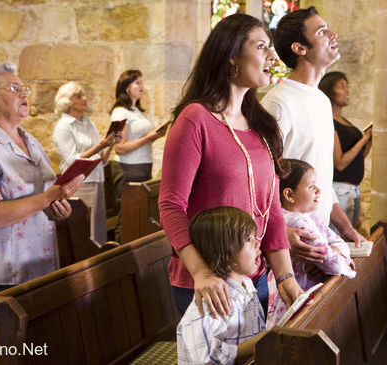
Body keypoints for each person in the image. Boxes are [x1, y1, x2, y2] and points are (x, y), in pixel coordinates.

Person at [159, 13, 303, 319]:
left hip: (255, 277)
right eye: (261, 46)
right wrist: (202, 273)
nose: (272, 55)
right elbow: (171, 205)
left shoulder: (261, 126)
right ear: (231, 57)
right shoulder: (195, 119)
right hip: (209, 282)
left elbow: (271, 209)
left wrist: (285, 275)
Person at [0, 61, 84, 294]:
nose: (24, 94)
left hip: (39, 261)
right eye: (14, 88)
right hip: (4, 272)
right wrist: (49, 197)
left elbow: (40, 198)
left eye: (23, 88)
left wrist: (57, 209)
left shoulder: (31, 142)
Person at [261, 6, 365, 267]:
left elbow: (323, 178)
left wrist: (345, 227)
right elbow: (263, 181)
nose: (333, 34)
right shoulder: (279, 102)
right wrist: (279, 236)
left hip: (318, 230)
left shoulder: (321, 101)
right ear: (299, 48)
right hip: (291, 241)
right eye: (321, 31)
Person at [266, 159, 356, 327]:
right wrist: (339, 254)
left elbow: (337, 241)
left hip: (308, 294)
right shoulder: (296, 222)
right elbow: (334, 264)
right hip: (295, 297)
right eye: (310, 187)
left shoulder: (309, 215)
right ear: (289, 195)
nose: (318, 190)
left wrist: (335, 249)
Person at [177, 207, 267, 364]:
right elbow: (205, 358)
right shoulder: (211, 301)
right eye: (248, 239)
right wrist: (257, 344)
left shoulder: (246, 284)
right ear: (223, 252)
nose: (257, 243)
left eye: (254, 236)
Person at [53, 82, 118, 245]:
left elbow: (101, 161)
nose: (84, 98)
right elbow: (72, 160)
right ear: (67, 102)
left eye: (83, 95)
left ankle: (100, 263)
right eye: (79, 96)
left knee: (98, 229)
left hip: (97, 179)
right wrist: (100, 145)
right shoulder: (63, 126)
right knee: (84, 230)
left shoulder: (90, 124)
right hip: (78, 183)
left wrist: (110, 145)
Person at [110, 69, 165, 240]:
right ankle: (119, 255)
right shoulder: (120, 112)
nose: (142, 86)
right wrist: (148, 137)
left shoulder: (138, 112)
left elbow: (140, 141)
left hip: (142, 168)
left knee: (139, 215)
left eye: (142, 82)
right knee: (127, 216)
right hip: (127, 169)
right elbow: (119, 148)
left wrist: (154, 137)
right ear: (127, 88)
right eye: (137, 83)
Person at [318, 71, 372, 228]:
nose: (347, 91)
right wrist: (364, 139)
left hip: (354, 188)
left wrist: (369, 141)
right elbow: (340, 163)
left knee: (351, 238)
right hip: (339, 189)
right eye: (341, 86)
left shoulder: (344, 121)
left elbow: (358, 157)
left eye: (347, 86)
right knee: (341, 238)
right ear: (329, 91)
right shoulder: (329, 121)